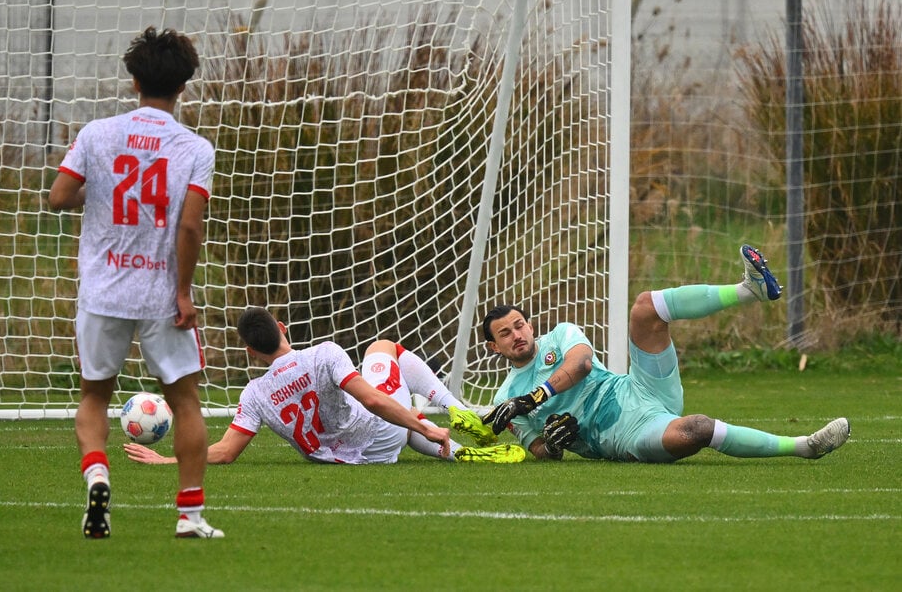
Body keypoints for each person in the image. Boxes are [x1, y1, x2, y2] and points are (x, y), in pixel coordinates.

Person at [48, 27, 223, 539]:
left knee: (94, 398)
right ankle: (189, 517)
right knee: (186, 400)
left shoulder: (97, 133)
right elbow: (189, 226)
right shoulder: (194, 147)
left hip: (103, 290)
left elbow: (59, 197)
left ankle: (98, 473)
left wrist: (96, 196)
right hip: (160, 294)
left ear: (133, 82)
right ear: (184, 85)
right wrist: (185, 292)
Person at [468, 244, 851, 463]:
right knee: (697, 428)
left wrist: (534, 399)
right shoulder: (504, 399)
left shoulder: (561, 335)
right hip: (622, 434)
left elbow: (582, 364)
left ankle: (749, 290)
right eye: (505, 333)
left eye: (520, 325)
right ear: (493, 346)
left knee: (645, 307)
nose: (517, 335)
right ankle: (803, 447)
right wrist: (554, 443)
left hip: (637, 388)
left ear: (530, 326)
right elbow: (540, 452)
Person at [124, 307, 525, 466]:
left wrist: (168, 461)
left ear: (250, 352)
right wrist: (425, 425)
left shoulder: (254, 394)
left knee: (391, 402)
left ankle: (458, 451)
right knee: (385, 349)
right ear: (283, 328)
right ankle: (459, 411)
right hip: (382, 435)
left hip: (344, 460)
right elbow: (372, 400)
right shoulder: (323, 354)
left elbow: (226, 452)